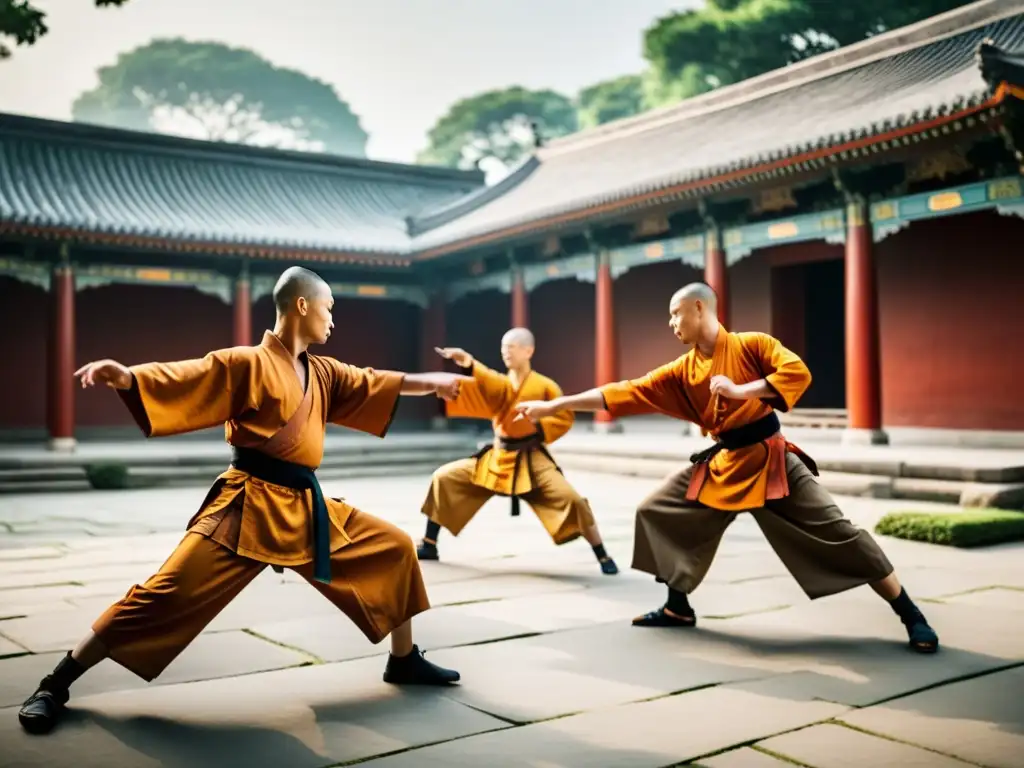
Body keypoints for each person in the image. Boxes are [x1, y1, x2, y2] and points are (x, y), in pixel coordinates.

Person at [19, 266, 473, 736]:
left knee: (395, 547)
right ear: (302, 305)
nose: (333, 320)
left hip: (304, 507)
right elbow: (192, 376)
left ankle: (404, 660)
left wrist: (433, 382)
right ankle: (55, 684)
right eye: (329, 308)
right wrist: (130, 380)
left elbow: (375, 381)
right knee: (160, 596)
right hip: (245, 506)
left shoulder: (322, 372)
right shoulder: (248, 363)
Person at [514, 283, 939, 654]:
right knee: (658, 510)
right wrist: (556, 404)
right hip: (722, 463)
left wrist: (742, 390)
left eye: (675, 313)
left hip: (771, 459)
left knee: (839, 532)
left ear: (699, 308)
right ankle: (677, 606)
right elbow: (623, 392)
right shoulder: (683, 369)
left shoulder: (752, 344)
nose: (671, 323)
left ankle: (909, 612)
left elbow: (796, 372)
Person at [416, 327, 618, 575]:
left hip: (532, 460)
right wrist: (467, 362)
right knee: (444, 478)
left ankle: (602, 554)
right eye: (503, 348)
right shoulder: (502, 383)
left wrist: (538, 424)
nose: (506, 353)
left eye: (511, 347)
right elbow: (486, 379)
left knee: (573, 500)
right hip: (497, 458)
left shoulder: (545, 386)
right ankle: (429, 544)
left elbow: (564, 416)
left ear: (528, 350)